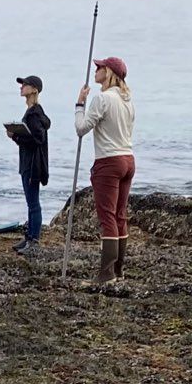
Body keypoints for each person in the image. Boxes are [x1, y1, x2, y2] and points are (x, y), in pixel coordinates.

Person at [74, 56, 135, 285]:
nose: (96, 70)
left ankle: (106, 274)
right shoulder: (128, 99)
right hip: (128, 159)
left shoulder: (102, 99)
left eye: (99, 67)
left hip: (108, 161)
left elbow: (81, 129)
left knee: (107, 216)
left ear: (108, 72)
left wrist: (80, 104)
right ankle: (118, 271)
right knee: (120, 215)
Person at [4, 75, 50, 253]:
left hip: (33, 165)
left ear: (34, 90)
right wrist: (17, 136)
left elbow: (37, 139)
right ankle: (29, 237)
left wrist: (15, 136)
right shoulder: (31, 111)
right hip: (27, 163)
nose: (21, 87)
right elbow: (31, 138)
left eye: (25, 85)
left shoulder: (35, 114)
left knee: (33, 203)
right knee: (30, 202)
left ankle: (34, 241)